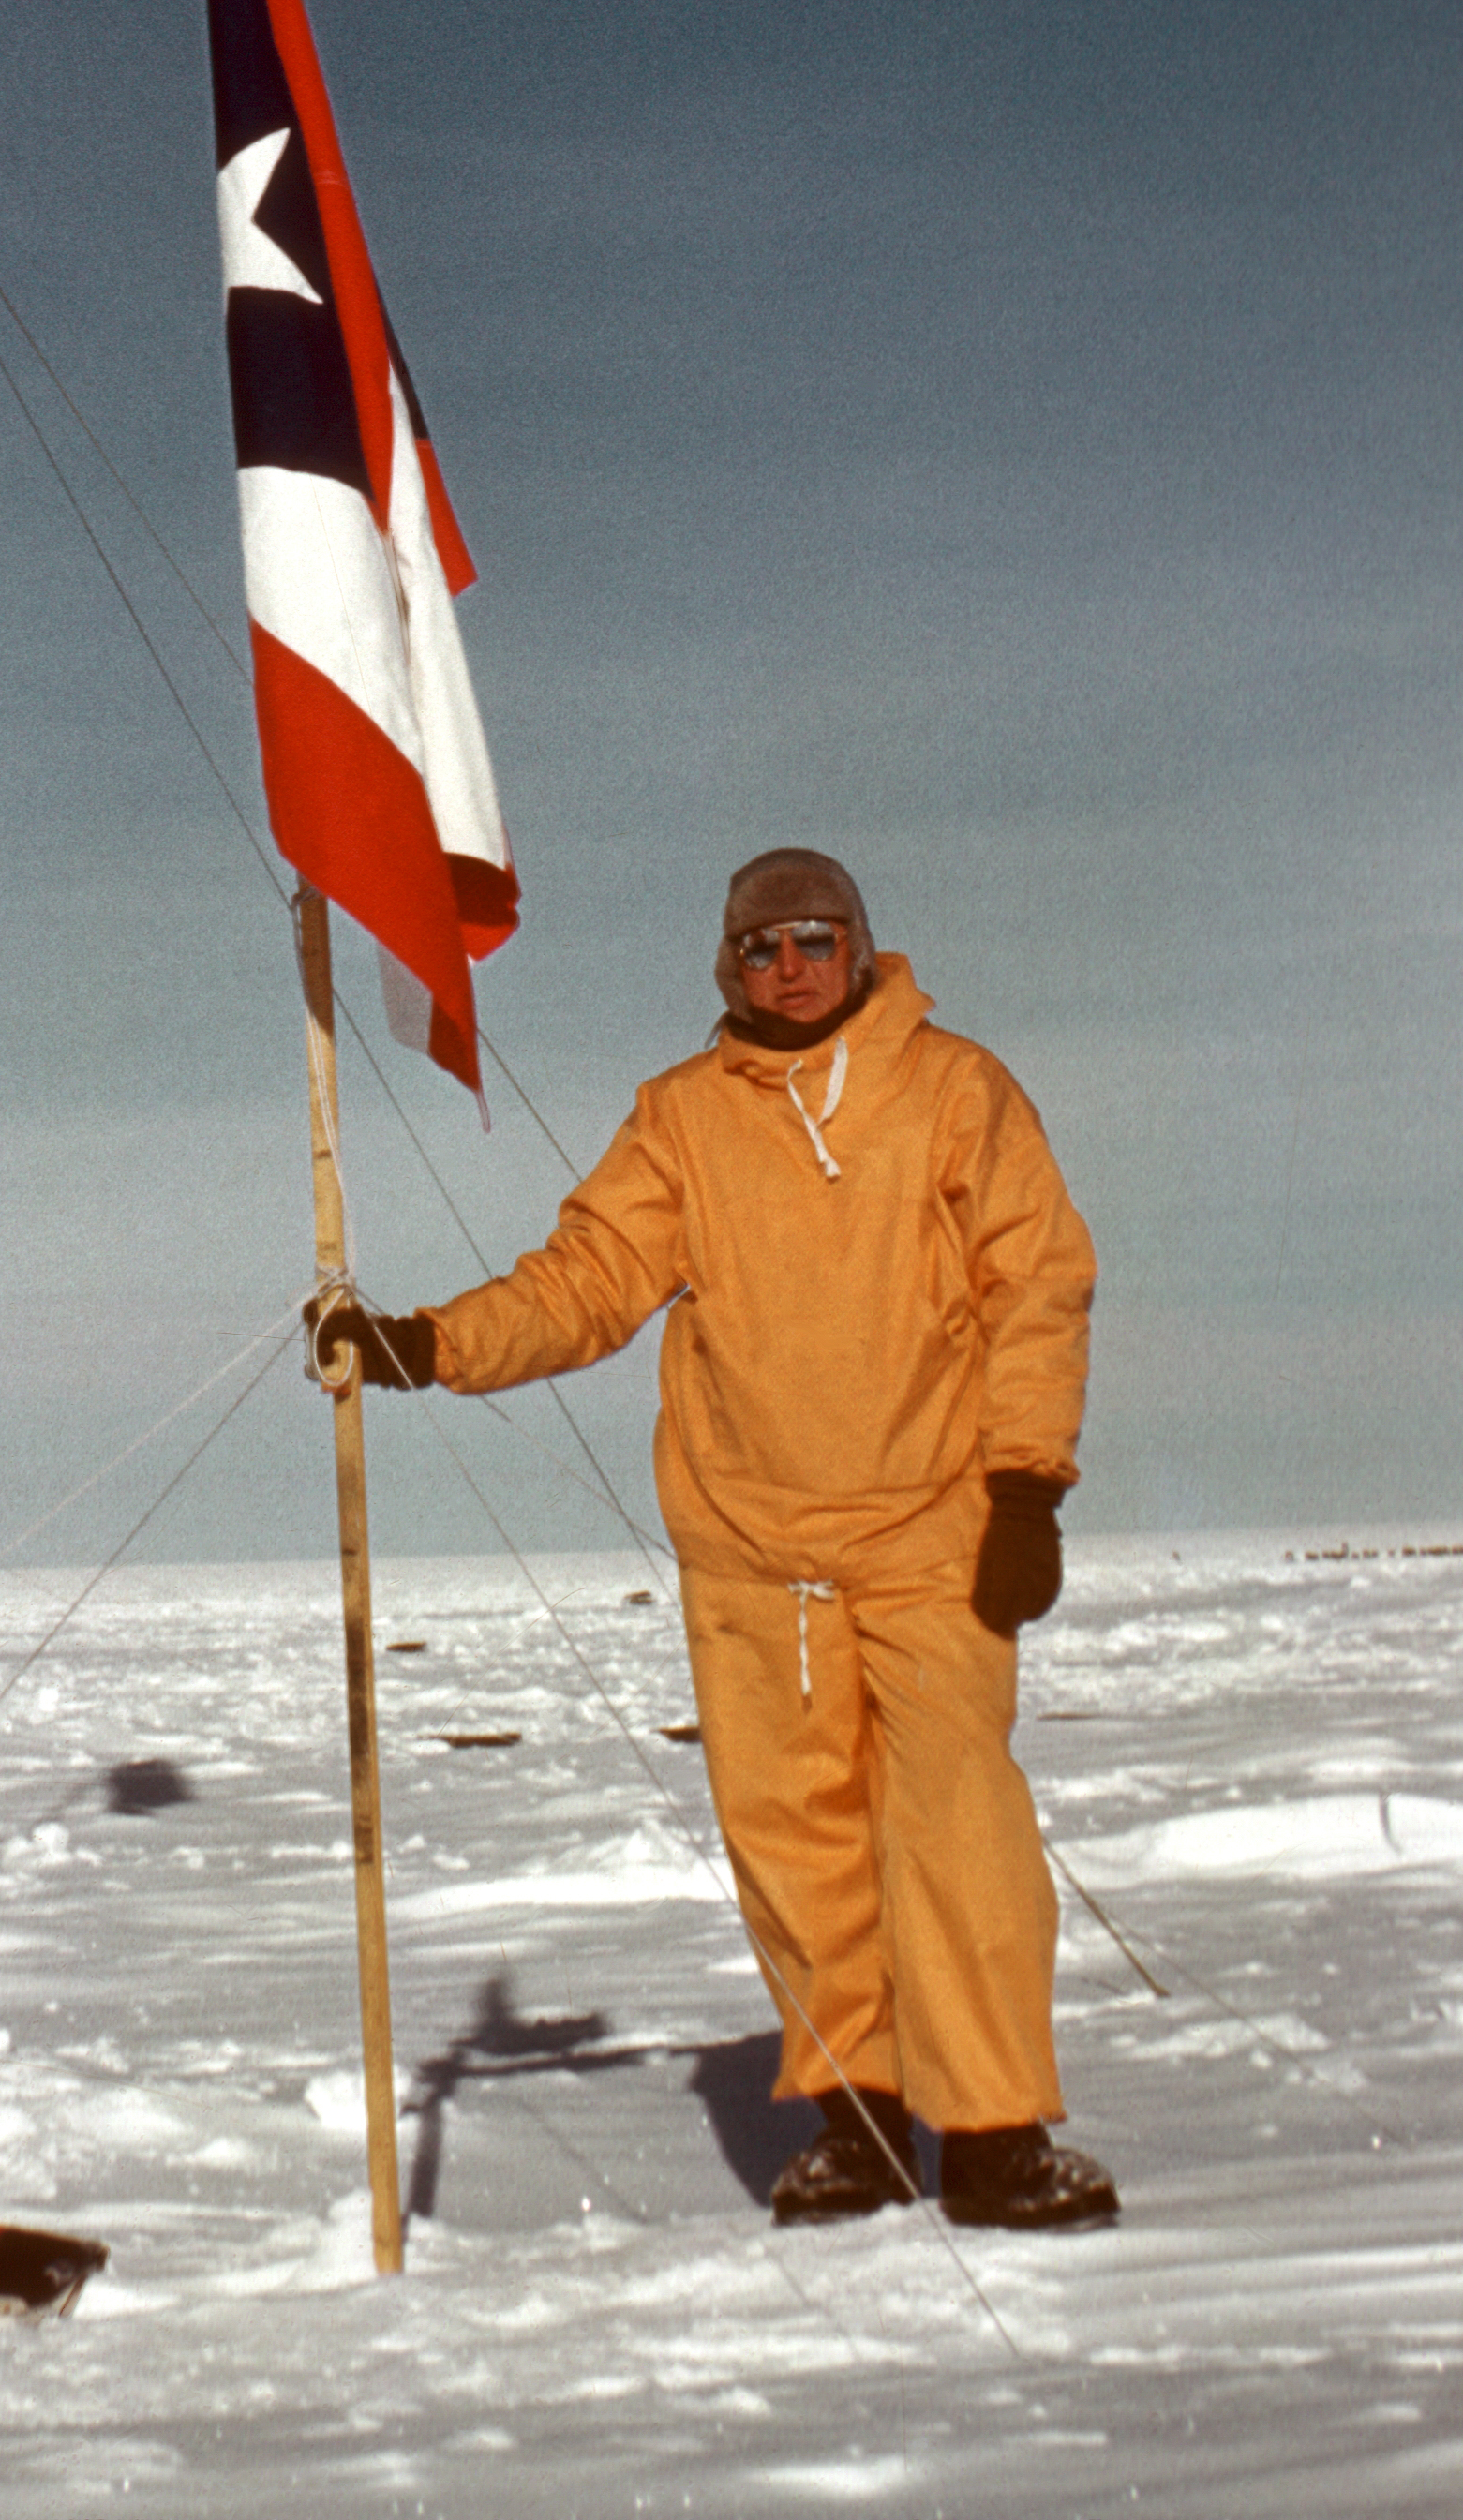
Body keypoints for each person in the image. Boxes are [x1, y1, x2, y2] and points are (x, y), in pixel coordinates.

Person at [312, 845, 1115, 2233]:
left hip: (936, 1535)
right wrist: (430, 1345)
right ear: (725, 969)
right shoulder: (683, 1120)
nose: (789, 966)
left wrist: (1028, 1484)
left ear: (863, 947)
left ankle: (992, 2135)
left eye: (815, 938)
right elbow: (591, 1281)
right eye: (760, 947)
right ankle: (857, 2119)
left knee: (960, 1833)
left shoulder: (956, 1091)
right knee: (796, 1846)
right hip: (754, 1552)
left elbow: (1034, 1286)